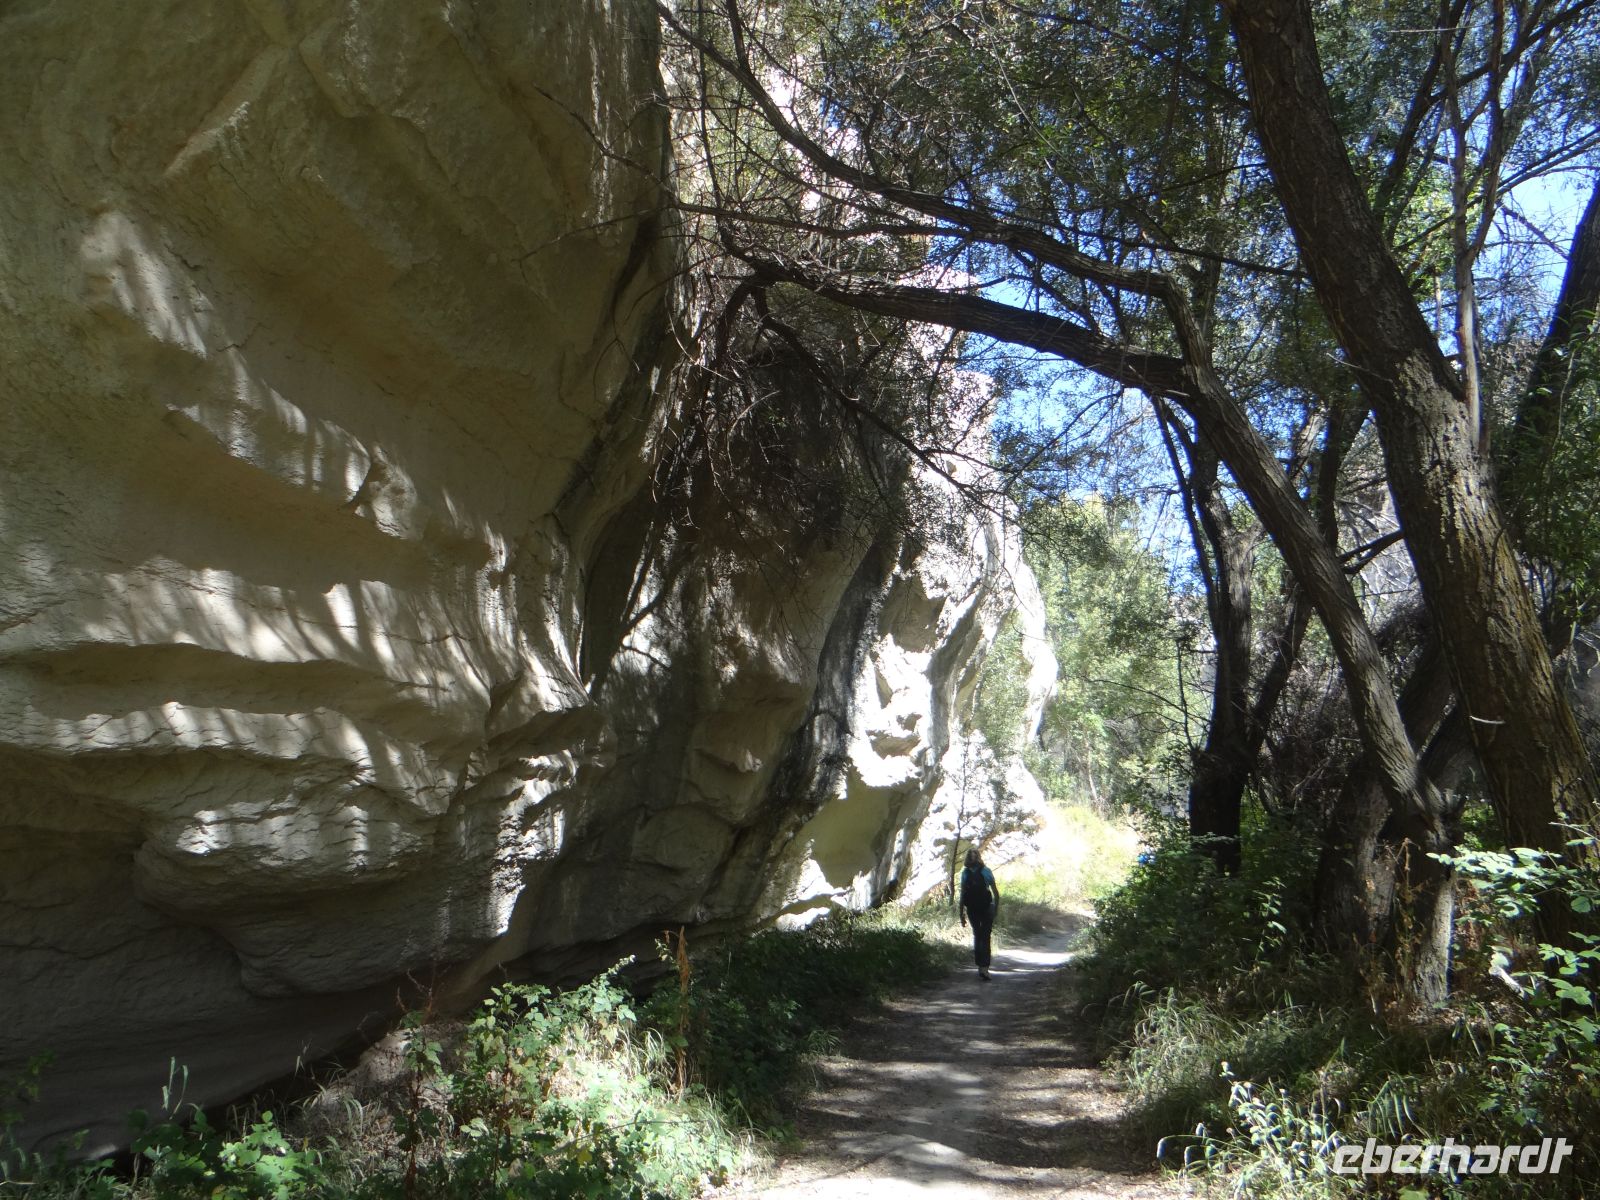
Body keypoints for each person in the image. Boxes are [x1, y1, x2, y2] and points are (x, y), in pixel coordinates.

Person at [958, 847, 1000, 980]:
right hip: (987, 907)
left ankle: (980, 967)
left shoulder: (965, 873)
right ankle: (984, 968)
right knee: (985, 936)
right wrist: (996, 909)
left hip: (972, 909)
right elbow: (996, 893)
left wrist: (961, 914)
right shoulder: (986, 871)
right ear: (979, 857)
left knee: (977, 935)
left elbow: (963, 895)